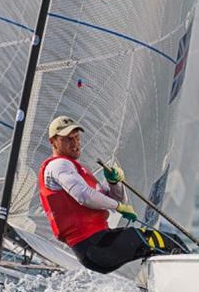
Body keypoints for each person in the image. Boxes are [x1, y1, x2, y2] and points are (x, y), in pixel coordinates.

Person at [38, 116, 186, 274]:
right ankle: (196, 278)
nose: (75, 143)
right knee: (171, 242)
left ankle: (159, 283)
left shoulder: (76, 170)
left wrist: (114, 183)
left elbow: (115, 199)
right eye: (68, 139)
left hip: (101, 243)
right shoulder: (58, 165)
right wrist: (119, 207)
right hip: (95, 247)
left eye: (77, 138)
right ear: (53, 142)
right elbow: (84, 196)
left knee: (157, 248)